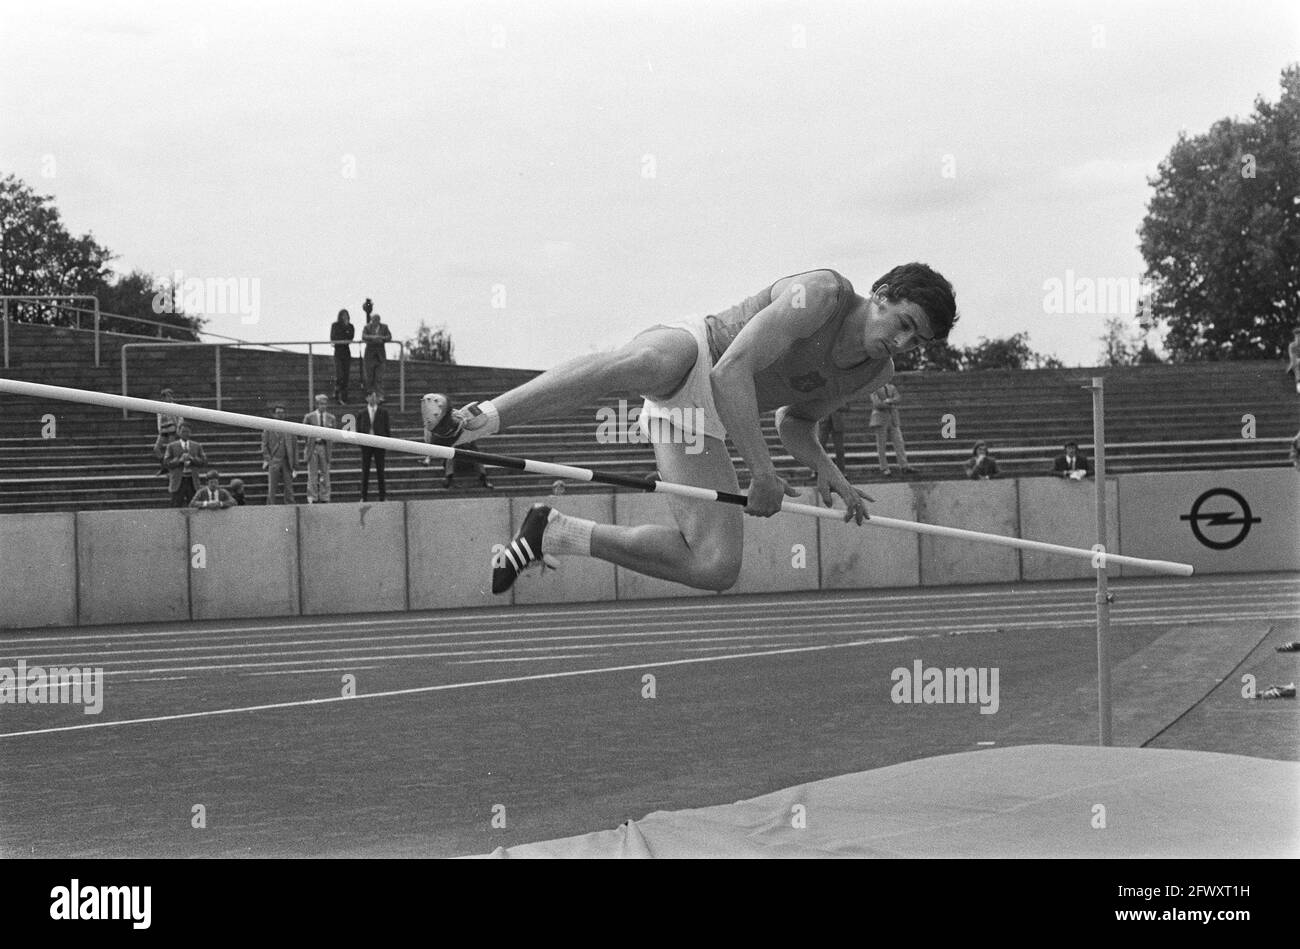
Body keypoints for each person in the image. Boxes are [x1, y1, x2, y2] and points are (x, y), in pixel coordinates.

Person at [426, 262, 957, 594]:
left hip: (705, 421)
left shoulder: (876, 370)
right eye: (904, 324)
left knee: (715, 566)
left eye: (918, 342)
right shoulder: (820, 294)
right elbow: (730, 372)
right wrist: (763, 474)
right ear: (882, 293)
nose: (904, 344)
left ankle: (556, 533)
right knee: (638, 366)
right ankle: (474, 421)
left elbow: (796, 421)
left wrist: (828, 473)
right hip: (700, 352)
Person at [420, 393, 492, 489]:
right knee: (451, 451)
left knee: (474, 451)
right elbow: (430, 439)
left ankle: (483, 478)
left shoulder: (456, 416)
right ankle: (448, 478)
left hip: (466, 444)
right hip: (453, 447)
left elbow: (467, 424)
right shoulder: (433, 423)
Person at [869, 382, 914, 476]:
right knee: (881, 445)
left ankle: (904, 465)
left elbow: (898, 398)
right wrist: (891, 404)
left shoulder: (891, 387)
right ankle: (884, 467)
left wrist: (889, 401)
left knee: (899, 442)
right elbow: (877, 404)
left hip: (893, 418)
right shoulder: (874, 387)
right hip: (880, 419)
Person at [301, 394, 337, 503]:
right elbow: (303, 431)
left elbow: (334, 433)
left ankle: (325, 496)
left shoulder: (331, 418)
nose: (323, 406)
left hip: (324, 447)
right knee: (312, 474)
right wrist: (309, 442)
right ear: (317, 405)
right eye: (321, 404)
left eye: (325, 404)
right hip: (313, 446)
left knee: (325, 473)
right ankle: (313, 496)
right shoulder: (309, 417)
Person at [356, 389, 391, 501]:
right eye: (371, 396)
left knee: (380, 470)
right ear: (367, 398)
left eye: (375, 396)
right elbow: (358, 430)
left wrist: (386, 442)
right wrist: (361, 444)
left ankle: (382, 496)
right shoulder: (362, 413)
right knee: (365, 471)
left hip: (379, 444)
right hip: (366, 445)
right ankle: (363, 496)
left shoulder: (383, 412)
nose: (373, 399)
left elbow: (387, 428)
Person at [261, 403, 297, 504]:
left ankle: (290, 504)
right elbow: (264, 445)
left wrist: (294, 463)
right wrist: (269, 460)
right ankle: (271, 506)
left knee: (289, 486)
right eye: (278, 413)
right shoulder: (268, 428)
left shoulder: (290, 428)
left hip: (286, 460)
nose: (280, 415)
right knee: (272, 487)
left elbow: (294, 446)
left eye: (282, 413)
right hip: (274, 460)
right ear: (274, 414)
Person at [163, 423, 207, 507]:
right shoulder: (171, 446)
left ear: (190, 433)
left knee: (194, 505)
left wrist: (193, 459)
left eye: (187, 432)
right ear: (179, 432)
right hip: (178, 480)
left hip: (192, 480)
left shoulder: (197, 446)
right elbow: (166, 463)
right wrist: (179, 460)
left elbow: (204, 461)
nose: (185, 434)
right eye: (183, 431)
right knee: (176, 505)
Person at [361, 305, 393, 400]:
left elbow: (389, 337)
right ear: (371, 320)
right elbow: (364, 336)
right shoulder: (367, 327)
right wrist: (374, 338)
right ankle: (370, 396)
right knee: (369, 377)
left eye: (377, 319)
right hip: (370, 356)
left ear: (379, 320)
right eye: (373, 320)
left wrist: (381, 339)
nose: (375, 321)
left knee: (379, 378)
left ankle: (380, 395)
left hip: (380, 356)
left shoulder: (384, 327)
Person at [153, 386, 183, 475]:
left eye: (170, 396)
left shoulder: (174, 406)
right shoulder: (160, 407)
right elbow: (159, 419)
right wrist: (159, 430)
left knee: (170, 449)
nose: (169, 398)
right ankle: (164, 465)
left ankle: (171, 468)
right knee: (156, 448)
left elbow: (180, 418)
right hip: (163, 430)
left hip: (172, 429)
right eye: (167, 396)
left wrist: (179, 428)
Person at [818, 404, 850, 478]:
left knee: (839, 449)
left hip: (837, 421)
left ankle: (841, 471)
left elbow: (847, 407)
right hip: (824, 420)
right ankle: (818, 471)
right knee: (820, 447)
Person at [331, 309, 355, 404]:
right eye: (343, 315)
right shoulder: (335, 325)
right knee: (339, 374)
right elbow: (334, 337)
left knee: (346, 375)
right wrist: (343, 335)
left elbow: (350, 337)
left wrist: (346, 327)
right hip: (338, 352)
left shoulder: (350, 326)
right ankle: (337, 393)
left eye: (346, 315)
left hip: (346, 352)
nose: (345, 317)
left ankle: (344, 396)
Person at [1288, 327, 1300, 395]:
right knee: (1296, 364)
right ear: (1295, 337)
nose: (1299, 338)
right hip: (1294, 365)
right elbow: (1292, 358)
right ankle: (1299, 384)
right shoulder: (1292, 346)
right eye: (1297, 336)